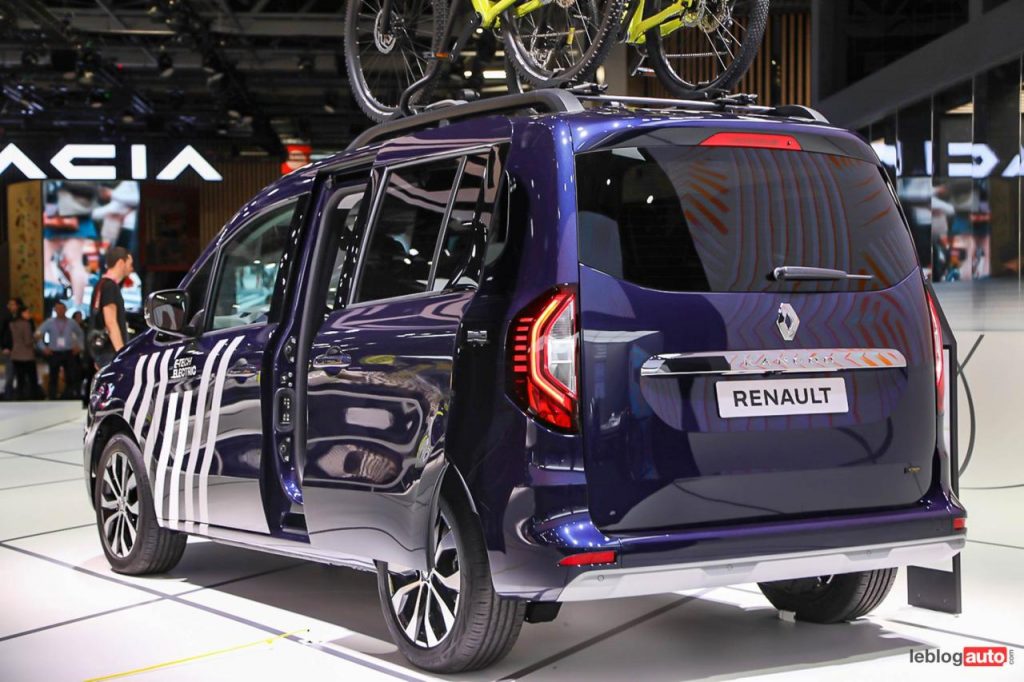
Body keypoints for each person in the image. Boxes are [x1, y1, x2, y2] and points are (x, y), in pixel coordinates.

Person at [90, 246, 133, 368]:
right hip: (111, 353)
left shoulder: (100, 285)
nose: (132, 268)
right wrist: (121, 354)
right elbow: (111, 322)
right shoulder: (110, 286)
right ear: (120, 263)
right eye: (130, 264)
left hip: (103, 352)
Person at [36, 301, 84, 399]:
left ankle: (69, 396)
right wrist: (43, 347)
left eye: (62, 308)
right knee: (53, 376)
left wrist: (79, 346)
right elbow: (38, 334)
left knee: (70, 376)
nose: (60, 311)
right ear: (55, 310)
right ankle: (52, 396)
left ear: (66, 310)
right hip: (54, 352)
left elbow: (80, 334)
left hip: (69, 352)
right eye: (58, 309)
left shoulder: (71, 322)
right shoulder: (49, 322)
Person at [8, 304, 40, 400]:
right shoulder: (26, 324)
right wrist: (36, 338)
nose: (29, 314)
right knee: (32, 378)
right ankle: (33, 397)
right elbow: (28, 341)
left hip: (15, 354)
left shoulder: (12, 324)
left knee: (20, 379)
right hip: (27, 355)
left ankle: (20, 397)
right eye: (27, 312)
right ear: (22, 313)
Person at [1, 297, 20, 400]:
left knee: (21, 375)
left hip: (21, 351)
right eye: (9, 305)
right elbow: (3, 334)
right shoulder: (6, 318)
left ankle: (21, 396)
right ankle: (8, 397)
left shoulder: (23, 318)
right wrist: (4, 347)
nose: (10, 307)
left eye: (12, 304)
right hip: (9, 350)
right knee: (10, 375)